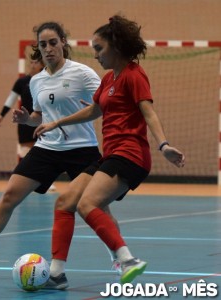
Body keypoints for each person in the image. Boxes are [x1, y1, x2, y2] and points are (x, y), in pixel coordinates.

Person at [0, 21, 121, 274]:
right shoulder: (35, 81)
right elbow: (41, 116)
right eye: (43, 44)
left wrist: (95, 111)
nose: (49, 48)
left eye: (53, 42)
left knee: (97, 206)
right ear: (38, 48)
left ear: (63, 42)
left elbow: (104, 105)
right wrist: (26, 119)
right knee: (9, 195)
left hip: (82, 148)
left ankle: (119, 258)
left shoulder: (83, 74)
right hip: (47, 148)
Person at [34, 14, 185, 288]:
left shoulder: (133, 74)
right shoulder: (108, 79)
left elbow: (148, 112)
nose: (95, 55)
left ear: (116, 48)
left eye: (99, 49)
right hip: (110, 155)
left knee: (87, 204)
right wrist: (56, 121)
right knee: (65, 203)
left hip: (130, 154)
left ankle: (128, 261)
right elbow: (94, 110)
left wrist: (163, 145)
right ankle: (56, 274)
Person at [0, 59, 44, 162]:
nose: (33, 64)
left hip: (42, 121)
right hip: (25, 121)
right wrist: (1, 115)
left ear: (42, 64)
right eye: (32, 62)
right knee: (25, 152)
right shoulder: (22, 81)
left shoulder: (46, 81)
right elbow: (11, 99)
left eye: (37, 62)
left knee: (42, 152)